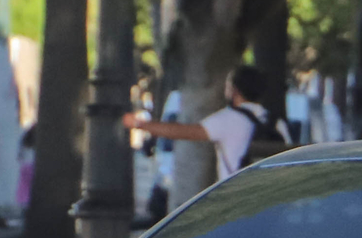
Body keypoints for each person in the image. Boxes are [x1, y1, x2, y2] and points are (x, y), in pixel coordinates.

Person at [124, 66, 290, 182]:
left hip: (238, 202)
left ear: (235, 90)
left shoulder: (228, 120)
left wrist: (139, 123)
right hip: (272, 205)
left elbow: (184, 132)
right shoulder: (276, 123)